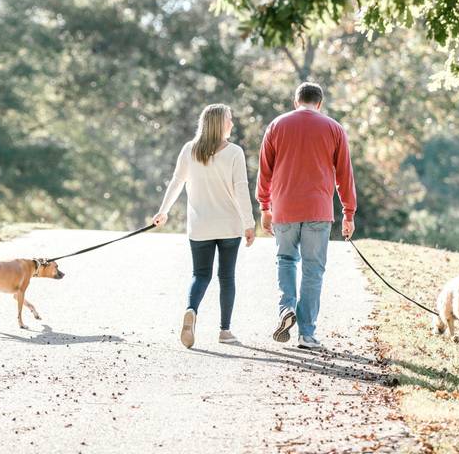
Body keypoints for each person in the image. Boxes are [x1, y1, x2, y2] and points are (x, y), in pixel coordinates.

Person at [256, 82, 357, 350]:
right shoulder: (334, 129)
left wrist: (265, 206)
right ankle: (307, 333)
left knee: (286, 260)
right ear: (320, 103)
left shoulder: (277, 125)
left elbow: (265, 170)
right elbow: (344, 175)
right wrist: (349, 213)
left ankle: (286, 307)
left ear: (295, 101)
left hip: (285, 208)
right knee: (313, 270)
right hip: (318, 210)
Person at [153, 104, 256, 348]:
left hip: (200, 226)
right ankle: (225, 331)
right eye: (229, 119)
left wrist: (163, 211)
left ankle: (191, 310)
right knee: (227, 277)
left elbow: (177, 181)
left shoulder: (190, 149)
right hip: (229, 225)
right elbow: (241, 190)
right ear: (221, 123)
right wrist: (249, 224)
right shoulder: (234, 152)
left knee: (200, 275)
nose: (232, 123)